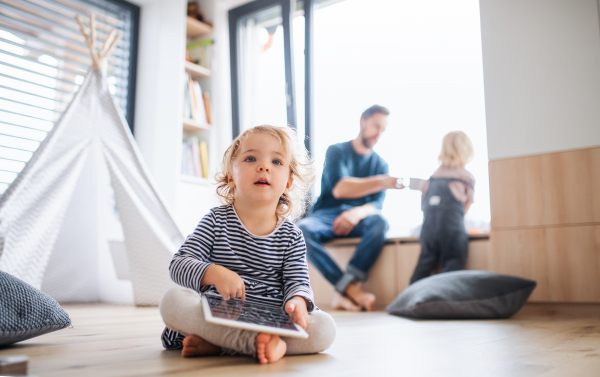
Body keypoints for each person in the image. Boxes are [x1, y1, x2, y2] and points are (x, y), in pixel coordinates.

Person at [159, 125, 336, 364]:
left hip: (270, 319)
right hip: (218, 313)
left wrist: (297, 302)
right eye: (251, 158)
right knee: (172, 300)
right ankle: (249, 343)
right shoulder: (215, 221)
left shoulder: (292, 236)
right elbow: (179, 265)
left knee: (325, 328)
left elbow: (298, 282)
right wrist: (214, 273)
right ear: (231, 176)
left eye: (276, 162)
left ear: (288, 183)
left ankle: (220, 343)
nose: (263, 167)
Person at [297, 105, 403, 312]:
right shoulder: (336, 151)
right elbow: (340, 188)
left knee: (380, 222)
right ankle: (352, 290)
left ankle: (341, 291)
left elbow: (376, 205)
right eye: (376, 126)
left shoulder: (381, 164)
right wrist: (382, 182)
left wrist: (356, 213)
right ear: (363, 121)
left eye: (383, 129)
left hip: (360, 217)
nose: (378, 133)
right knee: (301, 230)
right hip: (326, 215)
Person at [410, 131, 476, 284]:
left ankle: (408, 300)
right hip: (452, 229)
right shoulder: (466, 177)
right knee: (453, 263)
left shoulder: (432, 178)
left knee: (424, 264)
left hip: (428, 230)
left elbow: (423, 205)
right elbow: (467, 205)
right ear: (467, 151)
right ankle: (443, 303)